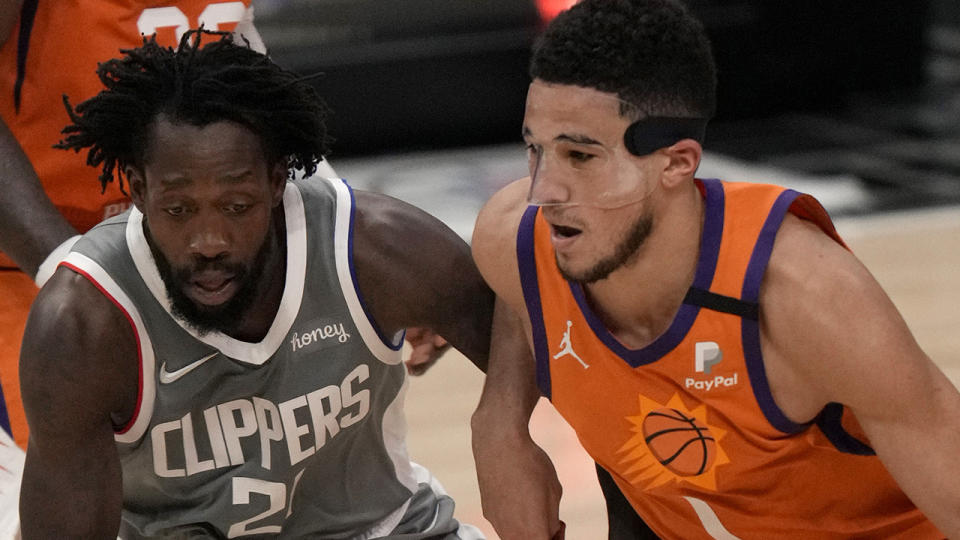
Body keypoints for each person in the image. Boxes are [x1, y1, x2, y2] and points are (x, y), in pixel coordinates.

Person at [469, 0, 960, 538]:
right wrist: (501, 421)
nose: (544, 192)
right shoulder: (514, 242)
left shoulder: (805, 297)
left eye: (581, 157)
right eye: (534, 149)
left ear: (677, 161)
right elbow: (521, 304)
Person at [18, 30, 492, 538]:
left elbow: (549, 360)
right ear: (137, 190)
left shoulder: (376, 249)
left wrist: (505, 429)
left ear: (275, 181)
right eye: (178, 210)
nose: (208, 240)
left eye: (236, 207)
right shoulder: (83, 323)